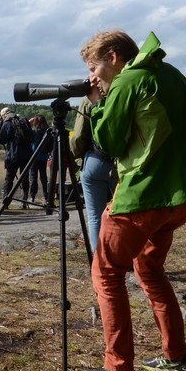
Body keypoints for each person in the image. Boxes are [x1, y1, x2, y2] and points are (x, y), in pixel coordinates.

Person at [80, 30, 186, 371]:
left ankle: (118, 368)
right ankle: (176, 355)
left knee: (106, 274)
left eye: (95, 66)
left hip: (144, 194)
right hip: (177, 196)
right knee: (149, 268)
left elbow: (109, 143)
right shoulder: (169, 73)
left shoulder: (127, 82)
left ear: (114, 57)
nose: (94, 75)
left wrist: (97, 101)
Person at [71, 96, 116, 255]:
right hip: (120, 163)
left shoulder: (88, 99)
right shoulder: (123, 90)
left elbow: (78, 136)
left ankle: (99, 261)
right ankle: (129, 258)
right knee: (125, 214)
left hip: (94, 161)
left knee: (95, 216)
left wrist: (76, 157)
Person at [0, 107, 32, 208]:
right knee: (24, 178)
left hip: (13, 155)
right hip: (27, 155)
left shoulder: (7, 123)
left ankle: (5, 203)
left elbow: (2, 140)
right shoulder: (23, 120)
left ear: (4, 115)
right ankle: (24, 202)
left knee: (9, 179)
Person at [28, 114, 50, 205]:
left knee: (33, 177)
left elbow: (25, 129)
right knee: (43, 177)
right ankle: (46, 196)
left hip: (34, 156)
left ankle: (32, 197)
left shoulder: (34, 131)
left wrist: (29, 121)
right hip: (44, 156)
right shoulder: (47, 131)